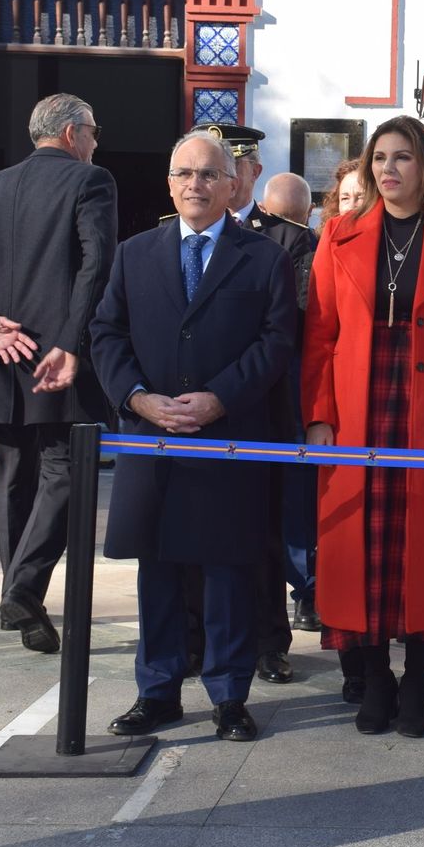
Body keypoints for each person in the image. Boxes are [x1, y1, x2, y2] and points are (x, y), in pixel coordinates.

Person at [91, 130, 295, 743]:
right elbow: (106, 334)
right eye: (184, 174)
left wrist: (218, 399)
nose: (195, 185)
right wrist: (138, 398)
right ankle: (157, 690)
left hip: (227, 437)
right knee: (156, 570)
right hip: (152, 441)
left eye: (209, 175)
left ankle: (230, 696)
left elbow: (276, 342)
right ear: (169, 182)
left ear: (234, 185)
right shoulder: (134, 254)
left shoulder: (264, 258)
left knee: (228, 571)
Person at [302, 115, 424, 738]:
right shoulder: (337, 235)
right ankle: (376, 676)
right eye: (379, 158)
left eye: (403, 158)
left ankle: (416, 677)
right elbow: (320, 336)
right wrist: (317, 416)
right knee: (362, 552)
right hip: (359, 409)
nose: (388, 169)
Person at [0, 93, 117, 654]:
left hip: (1, 360)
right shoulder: (91, 181)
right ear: (71, 134)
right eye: (93, 132)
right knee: (65, 473)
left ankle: (23, 602)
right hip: (55, 359)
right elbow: (98, 264)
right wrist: (71, 342)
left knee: (14, 481)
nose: (95, 144)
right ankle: (24, 589)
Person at [202, 120, 319, 683]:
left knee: (268, 531)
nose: (223, 178)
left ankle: (270, 641)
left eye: (233, 166)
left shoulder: (290, 239)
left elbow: (290, 324)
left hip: (264, 408)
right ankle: (197, 638)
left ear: (250, 172)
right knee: (195, 530)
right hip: (193, 411)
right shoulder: (167, 234)